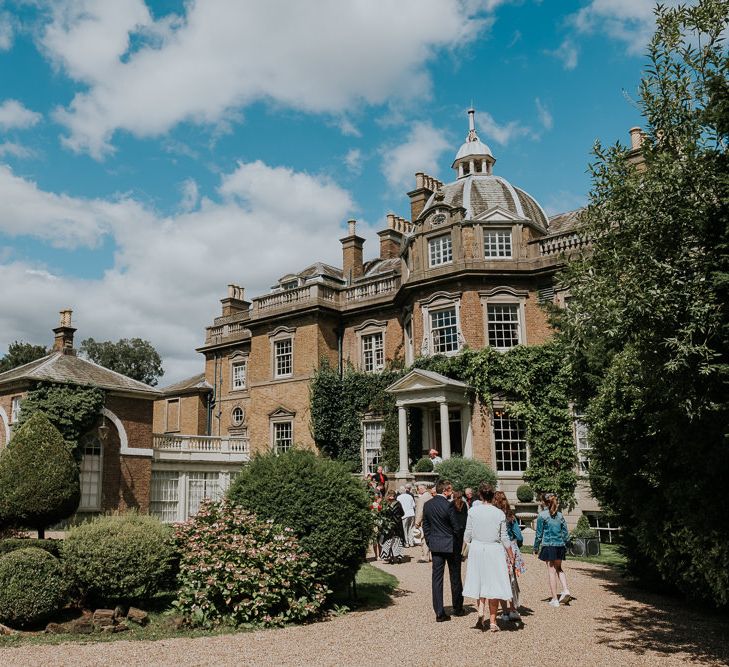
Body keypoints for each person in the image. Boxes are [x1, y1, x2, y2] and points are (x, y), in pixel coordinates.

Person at [462, 483, 514, 632]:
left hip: (477, 548)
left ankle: (480, 612)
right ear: (492, 496)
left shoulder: (473, 511)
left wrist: (463, 549)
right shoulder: (499, 513)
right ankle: (492, 621)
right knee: (494, 584)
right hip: (494, 550)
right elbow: (504, 537)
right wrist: (511, 555)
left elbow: (467, 534)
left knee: (480, 581)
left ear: (480, 495)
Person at [422, 479, 464, 622]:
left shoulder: (428, 505)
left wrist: (430, 541)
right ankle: (458, 608)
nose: (452, 492)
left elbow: (425, 526)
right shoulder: (449, 506)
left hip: (436, 545)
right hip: (451, 545)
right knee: (455, 577)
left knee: (437, 579)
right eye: (450, 490)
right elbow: (456, 527)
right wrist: (458, 543)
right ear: (445, 490)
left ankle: (439, 612)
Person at [533, 493, 571, 607]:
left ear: (544, 502)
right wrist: (568, 543)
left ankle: (555, 599)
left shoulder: (542, 516)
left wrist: (535, 547)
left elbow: (539, 534)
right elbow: (565, 533)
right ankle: (565, 590)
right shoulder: (560, 515)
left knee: (551, 571)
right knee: (559, 568)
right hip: (560, 545)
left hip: (549, 545)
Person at [492, 490, 525, 622]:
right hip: (510, 548)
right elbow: (519, 535)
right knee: (511, 580)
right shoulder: (511, 516)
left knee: (500, 580)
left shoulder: (493, 516)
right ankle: (512, 609)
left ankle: (504, 612)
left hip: (497, 549)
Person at [380, 490, 406, 564]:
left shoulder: (385, 504)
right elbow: (402, 513)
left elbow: (382, 514)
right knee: (398, 541)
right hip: (397, 525)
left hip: (388, 525)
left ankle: (390, 557)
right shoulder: (398, 504)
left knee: (389, 541)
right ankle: (398, 557)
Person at [414, 484, 433, 562]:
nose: (418, 491)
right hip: (432, 521)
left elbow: (420, 511)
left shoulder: (422, 499)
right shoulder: (430, 496)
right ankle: (431, 555)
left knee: (424, 538)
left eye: (418, 489)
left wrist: (417, 522)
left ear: (421, 489)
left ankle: (425, 556)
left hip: (425, 521)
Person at [451, 488, 468, 560]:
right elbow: (465, 515)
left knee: (454, 541)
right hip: (462, 524)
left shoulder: (451, 503)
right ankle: (460, 554)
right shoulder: (464, 504)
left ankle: (454, 555)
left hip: (454, 524)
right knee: (461, 541)